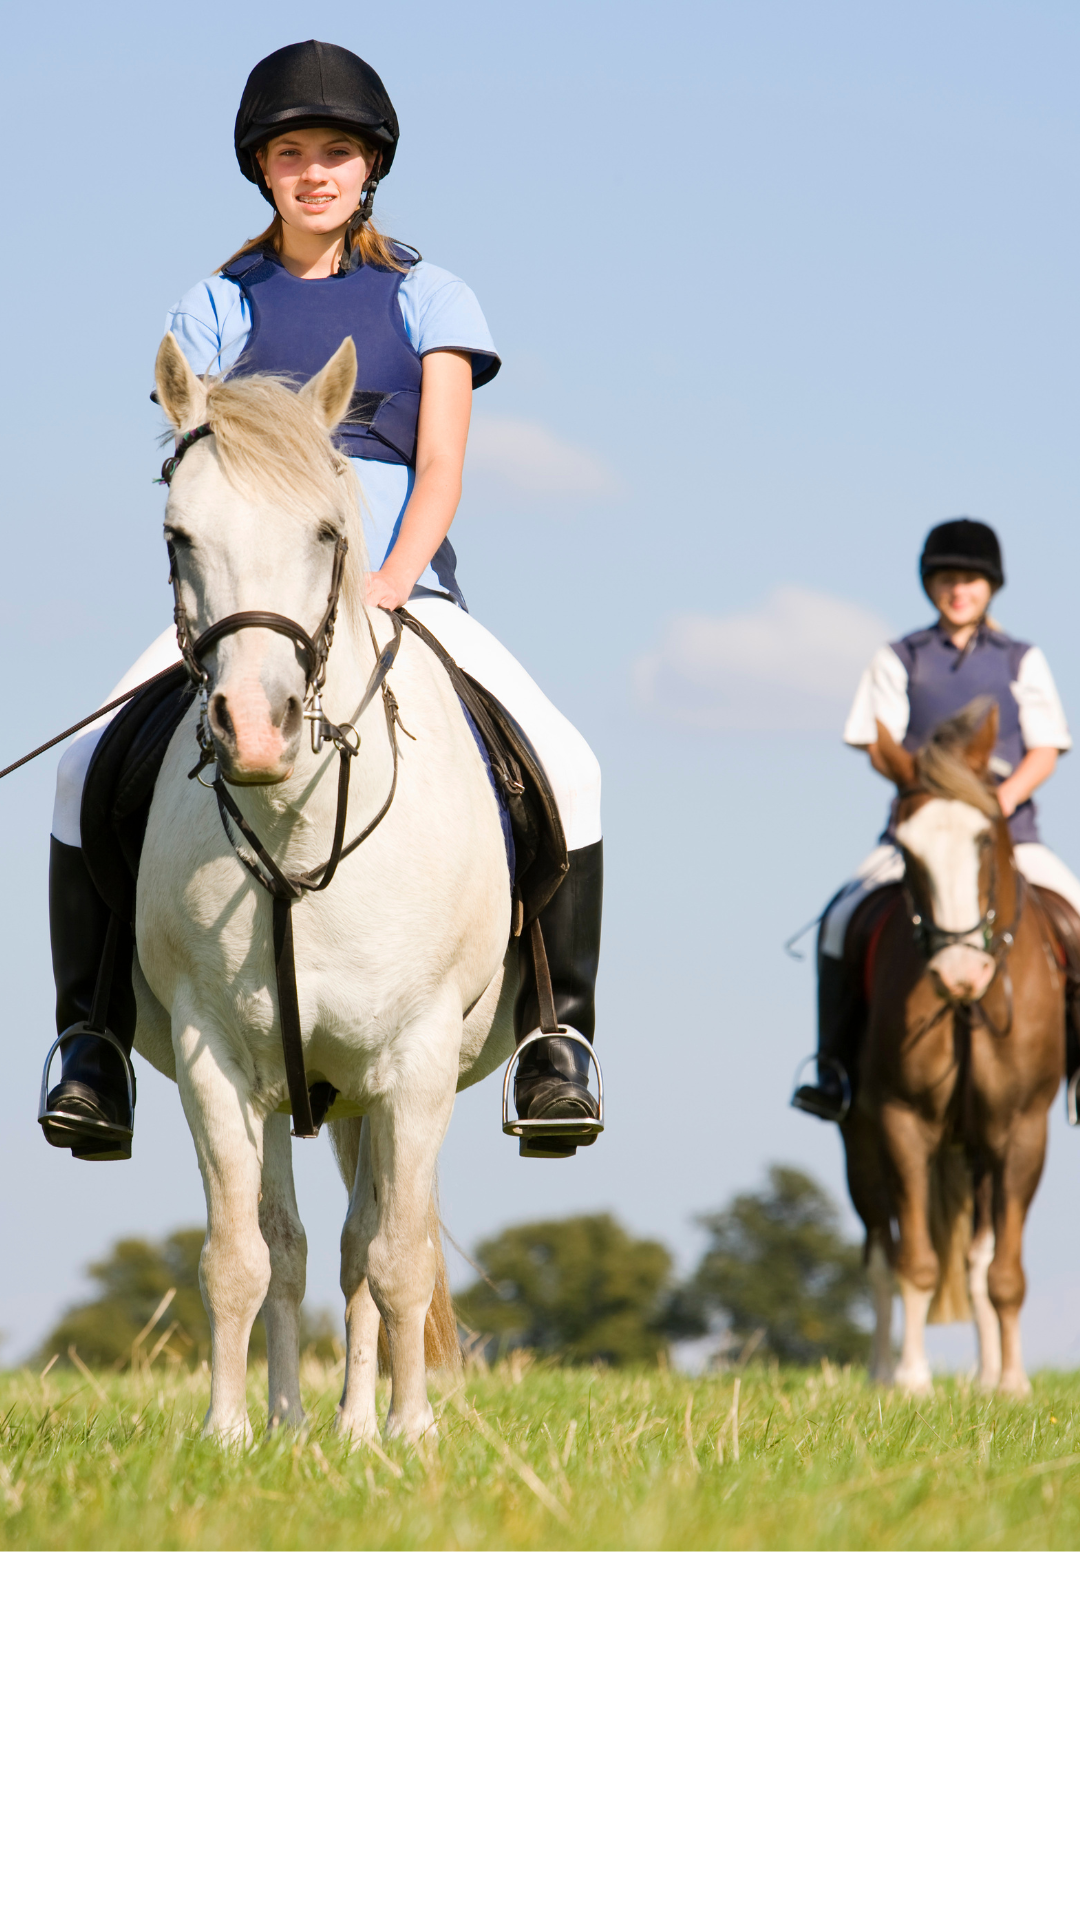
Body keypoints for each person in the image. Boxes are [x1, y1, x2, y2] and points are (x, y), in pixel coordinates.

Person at [41, 39, 603, 1161]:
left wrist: (394, 578)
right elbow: (194, 452)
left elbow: (439, 464)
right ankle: (92, 1037)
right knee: (77, 767)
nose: (314, 172)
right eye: (291, 153)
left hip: (402, 592)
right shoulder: (215, 301)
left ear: (368, 168)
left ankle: (556, 1037)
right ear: (262, 169)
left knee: (572, 763)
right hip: (252, 603)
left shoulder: (429, 296)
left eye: (334, 153)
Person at [791, 517, 1080, 1122]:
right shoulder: (900, 657)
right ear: (930, 584)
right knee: (839, 922)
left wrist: (994, 806)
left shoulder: (1022, 659)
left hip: (1008, 832)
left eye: (970, 581)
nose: (958, 591)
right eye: (947, 579)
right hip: (922, 835)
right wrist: (930, 800)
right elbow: (876, 743)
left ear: (990, 588)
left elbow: (1047, 748)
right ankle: (833, 1070)